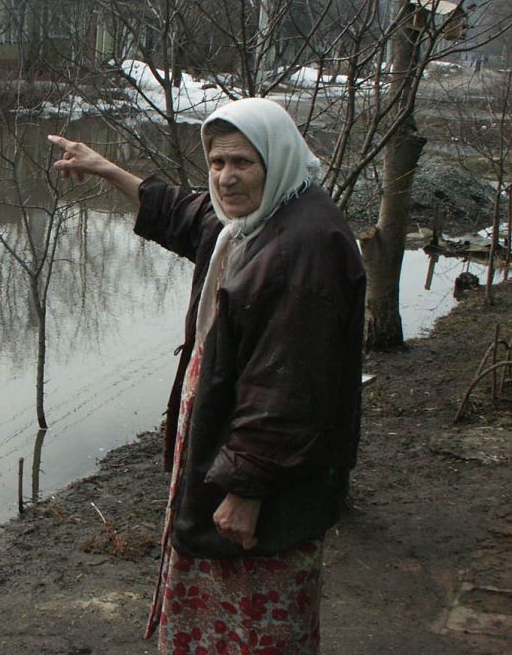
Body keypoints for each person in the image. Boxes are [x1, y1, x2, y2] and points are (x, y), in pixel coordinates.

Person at [48, 97, 365, 654]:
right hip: (232, 448)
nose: (226, 177)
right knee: (219, 614)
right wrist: (105, 169)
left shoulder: (304, 248)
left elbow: (290, 389)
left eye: (242, 161)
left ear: (277, 155)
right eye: (217, 163)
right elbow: (188, 214)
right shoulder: (261, 221)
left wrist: (246, 488)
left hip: (262, 475)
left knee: (253, 623)